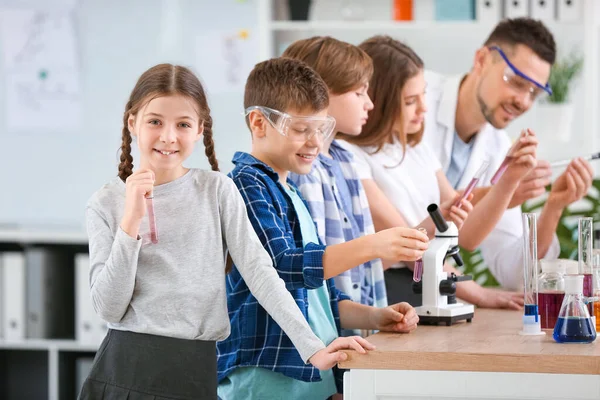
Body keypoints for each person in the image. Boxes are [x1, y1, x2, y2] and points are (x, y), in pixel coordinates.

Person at [79, 63, 375, 400]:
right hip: (123, 372)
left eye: (183, 124)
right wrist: (131, 220)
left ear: (199, 129)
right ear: (133, 123)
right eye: (155, 121)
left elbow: (261, 274)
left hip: (197, 371)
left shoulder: (217, 190)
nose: (168, 136)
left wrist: (313, 349)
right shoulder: (105, 202)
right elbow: (108, 308)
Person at [217, 57, 428, 400]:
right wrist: (372, 245)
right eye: (301, 130)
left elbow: (324, 299)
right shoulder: (244, 185)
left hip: (310, 372)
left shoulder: (292, 190)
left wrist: (376, 317)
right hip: (265, 375)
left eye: (321, 129)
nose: (315, 143)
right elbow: (285, 268)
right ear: (259, 123)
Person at [339, 35, 533, 309]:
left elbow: (466, 234)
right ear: (377, 100)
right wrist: (479, 294)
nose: (424, 108)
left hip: (428, 286)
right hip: (389, 295)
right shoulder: (350, 157)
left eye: (423, 95)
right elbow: (409, 251)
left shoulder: (417, 149)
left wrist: (509, 178)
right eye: (410, 101)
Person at [423, 17, 594, 289]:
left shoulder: (500, 149)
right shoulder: (417, 100)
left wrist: (554, 206)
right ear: (482, 60)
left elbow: (514, 273)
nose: (524, 101)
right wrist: (500, 191)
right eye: (515, 81)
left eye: (534, 93)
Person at [283, 36, 386, 337]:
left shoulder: (347, 160)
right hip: (327, 339)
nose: (370, 104)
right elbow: (309, 269)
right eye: (359, 92)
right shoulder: (302, 172)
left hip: (362, 329)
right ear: (321, 95)